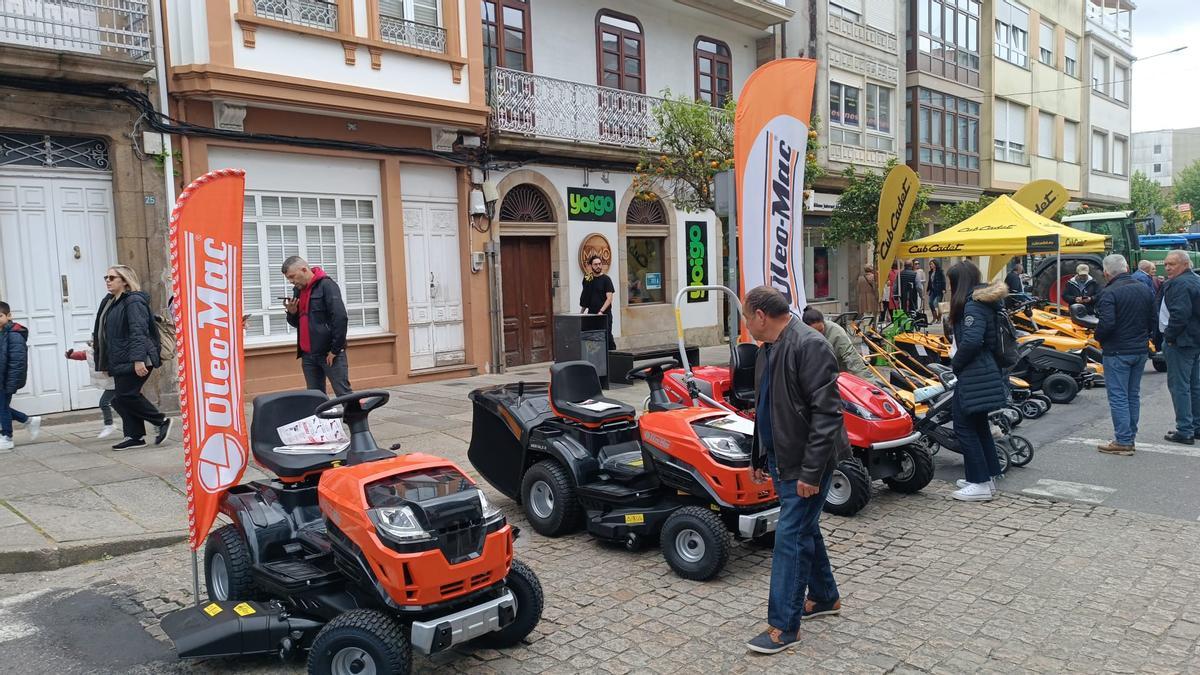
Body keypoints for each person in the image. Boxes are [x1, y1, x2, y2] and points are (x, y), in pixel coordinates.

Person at [742, 286, 851, 655]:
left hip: (808, 463)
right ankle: (824, 597)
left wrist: (810, 474)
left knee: (790, 537)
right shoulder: (767, 350)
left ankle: (784, 627)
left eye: (746, 316)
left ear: (760, 315)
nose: (745, 323)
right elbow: (767, 408)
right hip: (782, 458)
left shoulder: (810, 345)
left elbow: (827, 415)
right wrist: (759, 457)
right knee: (805, 528)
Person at [946, 261, 1007, 501]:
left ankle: (980, 482)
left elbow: (972, 341)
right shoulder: (983, 301)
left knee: (963, 426)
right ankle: (986, 477)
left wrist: (956, 363)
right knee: (978, 425)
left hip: (974, 372)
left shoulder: (972, 305)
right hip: (983, 370)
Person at [93, 265, 171, 450]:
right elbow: (102, 333)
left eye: (112, 278)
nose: (107, 281)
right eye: (106, 277)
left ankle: (160, 421)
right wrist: (103, 361)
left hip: (137, 357)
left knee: (125, 395)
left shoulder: (134, 301)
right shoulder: (111, 302)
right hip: (120, 358)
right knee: (120, 398)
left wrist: (139, 360)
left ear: (125, 281)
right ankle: (135, 436)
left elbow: (139, 332)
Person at [1093, 254, 1157, 455]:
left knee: (1119, 396)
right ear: (1127, 268)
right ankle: (1129, 436)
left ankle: (1123, 440)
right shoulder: (1144, 288)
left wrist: (1098, 337)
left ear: (1106, 273)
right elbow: (1153, 319)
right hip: (1139, 349)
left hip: (1117, 350)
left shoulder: (1109, 292)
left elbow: (1107, 323)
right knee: (1132, 395)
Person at [282, 256, 352, 396]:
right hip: (308, 356)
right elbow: (298, 324)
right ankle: (322, 419)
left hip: (329, 354)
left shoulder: (327, 286)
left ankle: (356, 419)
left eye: (292, 277)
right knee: (314, 397)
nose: (291, 282)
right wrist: (292, 313)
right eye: (288, 278)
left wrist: (335, 350)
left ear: (304, 269)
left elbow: (340, 318)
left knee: (344, 394)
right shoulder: (298, 290)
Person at [1161, 251, 1200, 445]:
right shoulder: (1196, 280)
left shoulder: (1179, 284)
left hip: (1181, 341)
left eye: (1172, 264)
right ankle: (1195, 426)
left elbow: (1180, 315)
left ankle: (1185, 430)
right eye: (1166, 264)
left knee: (1180, 387)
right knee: (1193, 385)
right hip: (1194, 340)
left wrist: (1169, 337)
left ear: (1184, 264)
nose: (1167, 268)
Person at [0, 301, 40, 450]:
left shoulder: (14, 334)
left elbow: (17, 362)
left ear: (9, 316)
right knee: (1, 407)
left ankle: (7, 437)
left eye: (0, 316)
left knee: (2, 407)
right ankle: (28, 421)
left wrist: (12, 383)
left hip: (6, 380)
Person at [801, 307, 879, 384]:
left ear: (824, 323)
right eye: (815, 332)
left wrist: (870, 382)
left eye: (821, 330)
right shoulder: (800, 335)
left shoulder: (836, 333)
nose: (819, 334)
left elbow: (852, 358)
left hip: (837, 374)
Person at [66, 341, 116, 439]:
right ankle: (129, 425)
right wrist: (71, 355)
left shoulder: (108, 350)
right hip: (110, 383)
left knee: (104, 403)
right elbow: (82, 355)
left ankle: (109, 425)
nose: (92, 344)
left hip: (116, 382)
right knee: (119, 405)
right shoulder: (91, 352)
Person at [579, 255, 616, 351]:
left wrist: (601, 311)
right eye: (595, 264)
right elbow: (585, 296)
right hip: (591, 314)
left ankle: (612, 355)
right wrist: (582, 312)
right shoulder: (588, 278)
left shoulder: (606, 279)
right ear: (591, 266)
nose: (598, 266)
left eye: (599, 264)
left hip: (604, 315)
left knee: (606, 336)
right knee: (591, 338)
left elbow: (609, 298)